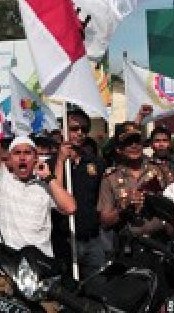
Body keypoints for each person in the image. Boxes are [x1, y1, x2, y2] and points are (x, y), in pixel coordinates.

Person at [0, 83, 77, 261]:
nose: (22, 158)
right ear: (8, 159)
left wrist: (49, 178)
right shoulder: (1, 181)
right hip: (9, 265)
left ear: (35, 158)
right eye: (17, 153)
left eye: (27, 153)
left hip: (41, 265)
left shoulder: (45, 185)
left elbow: (69, 207)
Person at [98, 121, 173, 239]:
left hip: (160, 241)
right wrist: (124, 206)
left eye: (137, 141)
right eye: (128, 142)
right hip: (129, 245)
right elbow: (105, 221)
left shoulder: (160, 169)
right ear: (119, 149)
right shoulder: (110, 177)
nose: (134, 145)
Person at [63, 108, 107, 278]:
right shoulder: (54, 164)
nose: (80, 133)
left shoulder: (96, 164)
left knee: (98, 288)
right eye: (74, 129)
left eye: (84, 129)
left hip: (92, 240)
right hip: (64, 240)